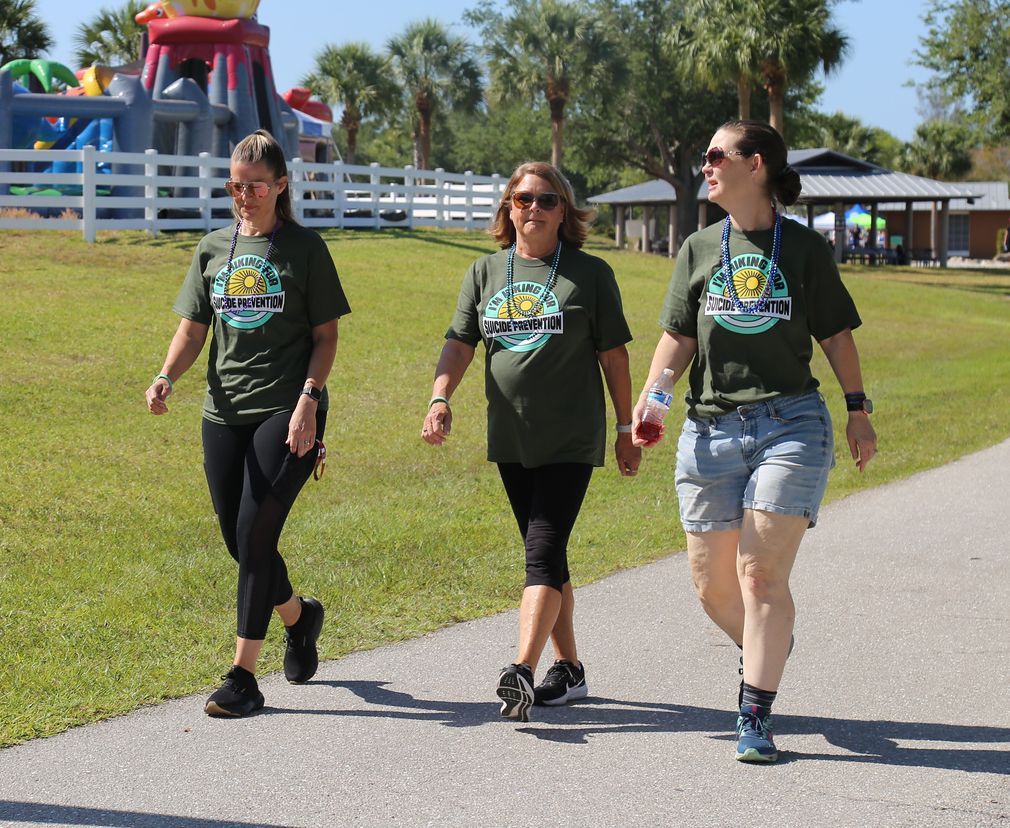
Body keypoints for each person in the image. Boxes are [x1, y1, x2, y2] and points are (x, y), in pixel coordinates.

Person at [633, 120, 876, 762]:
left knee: (759, 575)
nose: (705, 165)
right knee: (712, 585)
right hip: (709, 428)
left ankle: (754, 714)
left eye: (716, 155)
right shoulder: (698, 246)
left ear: (757, 164)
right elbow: (680, 335)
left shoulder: (801, 250)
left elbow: (836, 334)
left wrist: (857, 408)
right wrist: (652, 397)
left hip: (790, 422)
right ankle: (771, 641)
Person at [421, 161, 640, 723]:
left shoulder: (590, 275)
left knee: (540, 551)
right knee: (552, 557)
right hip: (511, 437)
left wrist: (624, 428)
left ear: (564, 210)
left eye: (546, 200)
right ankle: (570, 669)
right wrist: (440, 398)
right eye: (523, 200)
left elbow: (614, 356)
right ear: (508, 208)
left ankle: (520, 668)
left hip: (571, 436)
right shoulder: (485, 271)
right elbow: (459, 343)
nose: (534, 209)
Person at [145, 129, 351, 717]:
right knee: (239, 539)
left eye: (256, 185)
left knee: (256, 530)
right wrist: (166, 375)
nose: (245, 195)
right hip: (223, 410)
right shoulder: (213, 248)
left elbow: (325, 335)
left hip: (287, 409)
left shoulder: (305, 250)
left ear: (280, 186)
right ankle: (300, 616)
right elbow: (193, 328)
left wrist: (309, 400)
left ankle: (243, 677)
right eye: (236, 185)